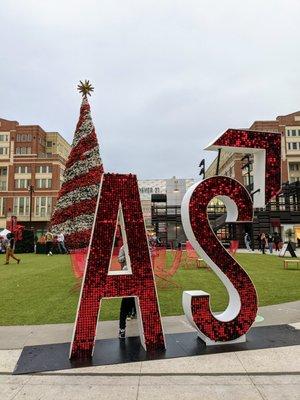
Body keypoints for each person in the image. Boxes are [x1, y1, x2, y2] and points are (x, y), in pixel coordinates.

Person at [118, 245, 136, 339]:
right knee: (126, 302)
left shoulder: (139, 244)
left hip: (138, 275)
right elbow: (120, 260)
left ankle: (133, 313)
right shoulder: (124, 247)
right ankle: (122, 329)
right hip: (128, 275)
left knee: (136, 301)